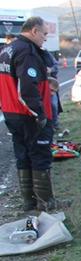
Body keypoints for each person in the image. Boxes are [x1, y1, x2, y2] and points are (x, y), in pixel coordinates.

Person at [0, 17, 57, 211]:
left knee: (22, 155)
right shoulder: (27, 52)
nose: (45, 38)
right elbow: (27, 88)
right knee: (40, 155)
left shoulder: (7, 50)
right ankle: (46, 202)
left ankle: (28, 201)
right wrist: (39, 114)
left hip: (12, 112)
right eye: (44, 34)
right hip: (28, 114)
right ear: (34, 31)